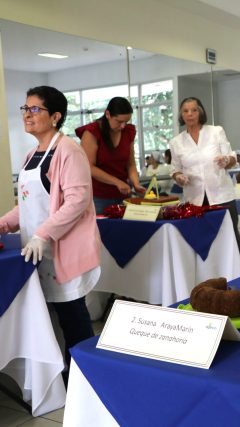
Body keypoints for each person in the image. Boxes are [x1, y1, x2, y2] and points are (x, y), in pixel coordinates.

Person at [0, 86, 100, 373]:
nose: (27, 115)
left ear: (55, 116)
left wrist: (43, 234)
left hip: (62, 251)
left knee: (73, 319)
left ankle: (86, 380)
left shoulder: (69, 150)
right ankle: (58, 378)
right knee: (48, 320)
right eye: (25, 109)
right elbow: (29, 205)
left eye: (34, 109)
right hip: (35, 252)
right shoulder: (32, 155)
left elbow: (77, 201)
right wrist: (3, 224)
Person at [169, 96, 240, 272]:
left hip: (221, 196)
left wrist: (226, 159)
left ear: (201, 112)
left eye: (194, 110)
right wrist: (179, 177)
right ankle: (208, 282)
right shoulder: (176, 142)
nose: (190, 114)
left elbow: (232, 158)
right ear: (181, 115)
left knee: (231, 241)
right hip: (194, 201)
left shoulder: (216, 131)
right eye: (185, 111)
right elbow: (175, 170)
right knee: (200, 243)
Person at [76, 97, 145, 214]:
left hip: (123, 194)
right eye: (119, 121)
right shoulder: (92, 132)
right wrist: (116, 182)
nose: (123, 126)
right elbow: (89, 167)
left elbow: (131, 164)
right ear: (107, 114)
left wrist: (136, 183)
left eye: (126, 122)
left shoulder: (128, 131)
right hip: (98, 196)